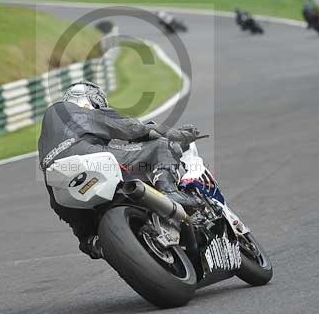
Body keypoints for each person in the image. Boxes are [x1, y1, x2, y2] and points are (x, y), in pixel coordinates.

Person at [38, 81, 200, 259]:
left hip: (58, 186)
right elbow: (130, 128)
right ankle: (169, 191)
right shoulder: (74, 112)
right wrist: (174, 134)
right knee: (159, 146)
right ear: (88, 100)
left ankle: (92, 242)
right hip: (89, 157)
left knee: (82, 225)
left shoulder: (48, 133)